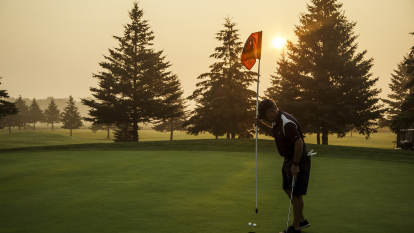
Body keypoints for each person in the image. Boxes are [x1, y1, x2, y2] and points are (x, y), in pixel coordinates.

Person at [254, 99, 312, 233]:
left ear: (272, 111)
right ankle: (302, 220)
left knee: (296, 193)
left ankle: (296, 227)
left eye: (266, 116)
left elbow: (299, 143)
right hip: (288, 158)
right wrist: (262, 125)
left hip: (298, 159)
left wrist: (295, 165)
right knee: (287, 188)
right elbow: (277, 135)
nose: (266, 119)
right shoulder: (276, 120)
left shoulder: (287, 122)